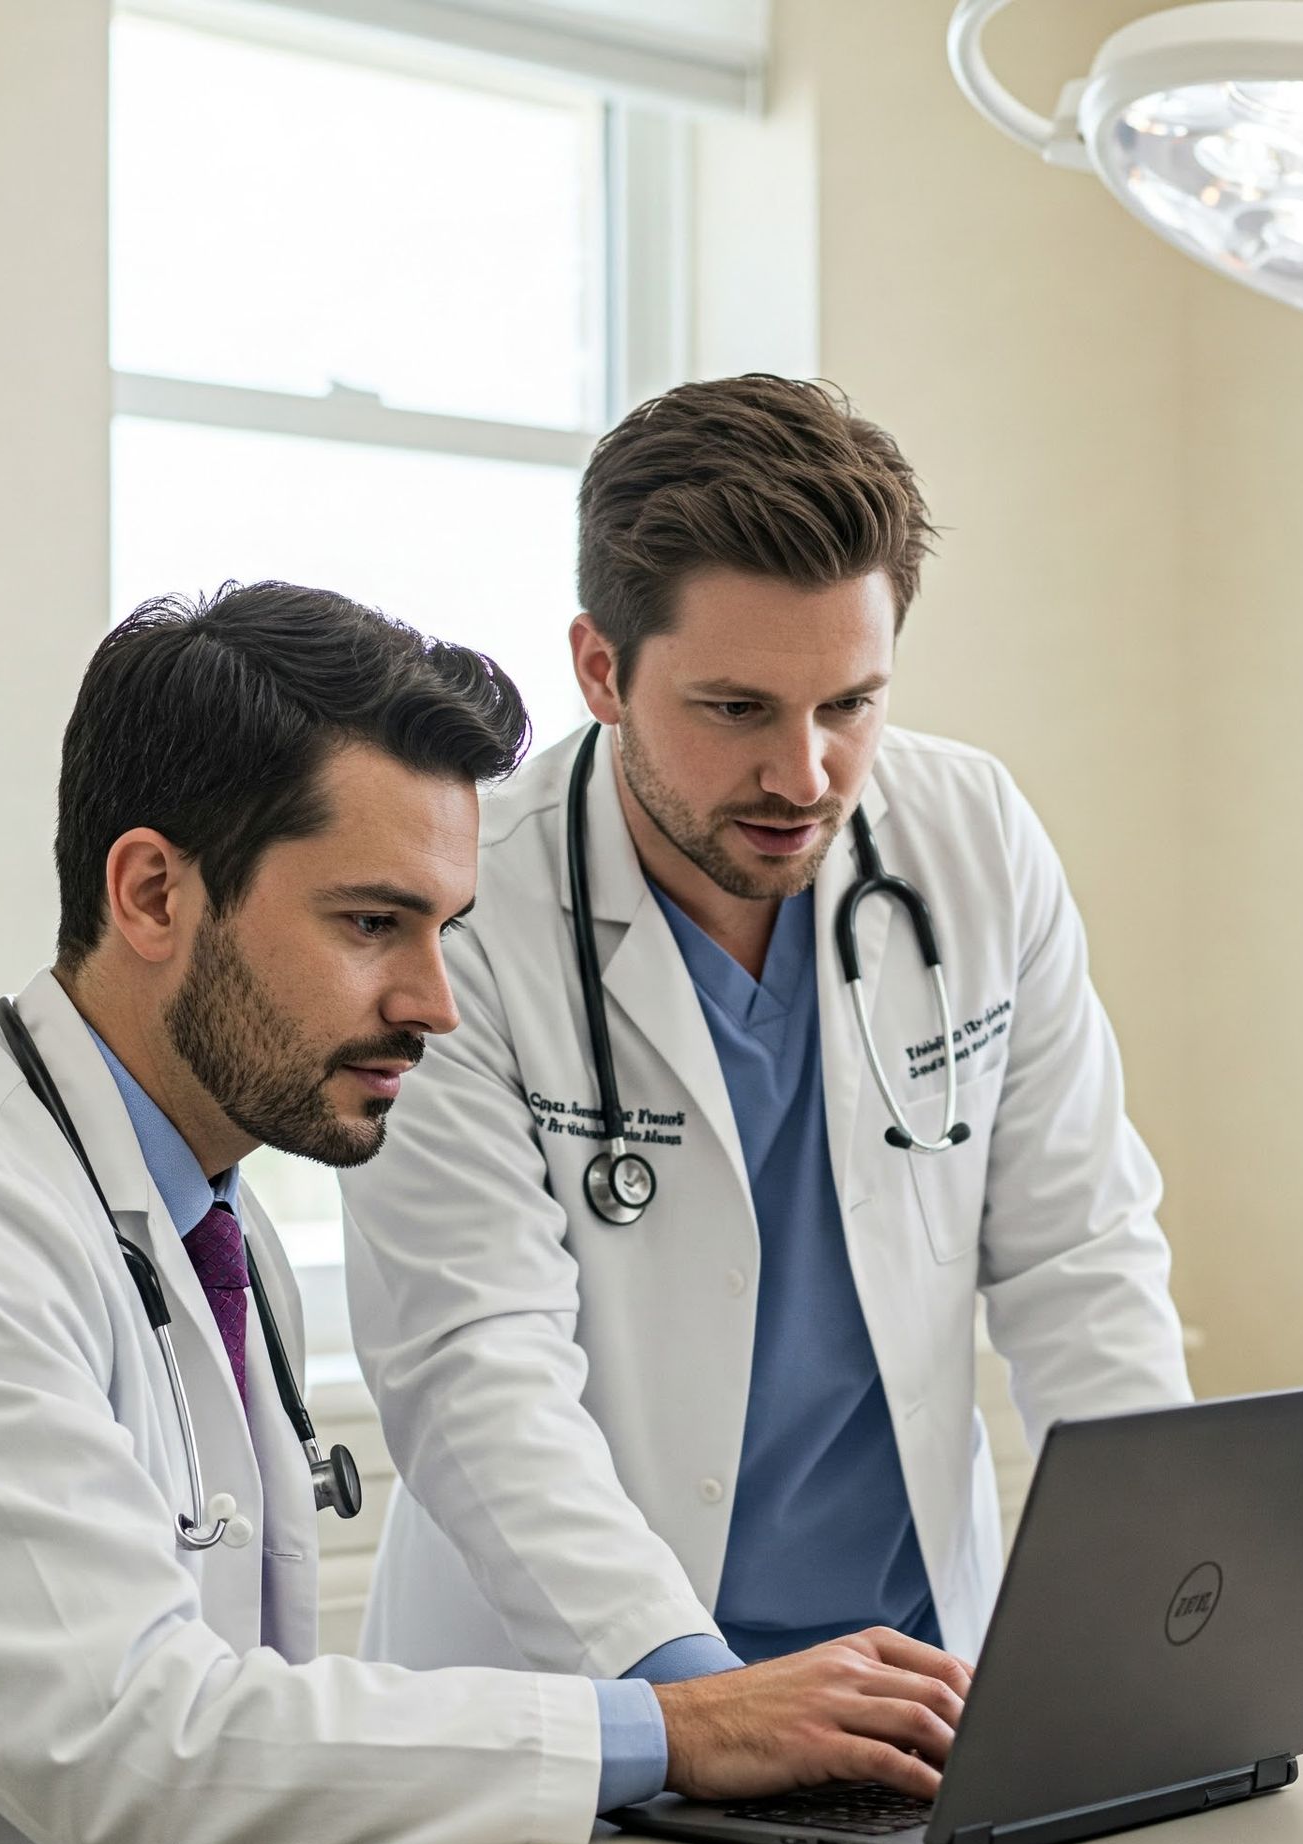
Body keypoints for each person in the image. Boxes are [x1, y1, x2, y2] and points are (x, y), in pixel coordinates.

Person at [0, 583, 972, 1844]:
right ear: (150, 892)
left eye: (445, 931)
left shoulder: (207, 1224)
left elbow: (244, 1757)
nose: (434, 1006)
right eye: (372, 924)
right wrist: (677, 1729)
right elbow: (138, 1759)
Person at [339, 374, 1198, 1688]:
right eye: (736, 710)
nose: (803, 777)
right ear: (600, 669)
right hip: (596, 1692)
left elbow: (1078, 1256)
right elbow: (476, 1363)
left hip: (908, 1687)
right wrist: (700, 1700)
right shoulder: (467, 905)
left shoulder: (969, 840)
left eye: (850, 704)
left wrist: (1178, 1609)